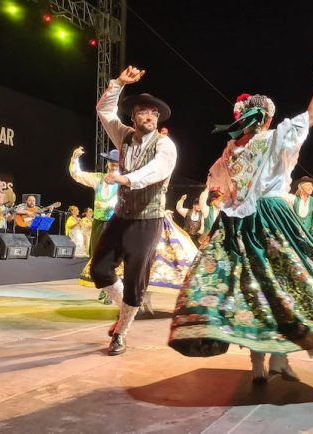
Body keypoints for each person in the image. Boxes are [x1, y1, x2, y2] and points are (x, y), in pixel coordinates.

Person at [168, 52, 313, 383]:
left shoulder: (249, 148)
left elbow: (217, 186)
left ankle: (268, 361)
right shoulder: (260, 143)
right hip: (265, 220)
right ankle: (270, 360)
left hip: (248, 221)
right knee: (277, 287)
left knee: (257, 288)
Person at [93, 65, 178, 356]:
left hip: (148, 219)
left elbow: (157, 171)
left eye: (154, 113)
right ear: (134, 116)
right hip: (121, 216)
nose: (150, 117)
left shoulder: (165, 145)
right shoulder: (125, 136)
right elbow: (104, 111)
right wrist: (118, 82)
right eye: (144, 112)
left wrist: (125, 178)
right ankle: (127, 312)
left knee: (134, 280)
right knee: (100, 270)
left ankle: (121, 333)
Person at [69, 146, 120, 286]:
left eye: (117, 163)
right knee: (97, 257)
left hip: (115, 223)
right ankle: (106, 286)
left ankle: (111, 288)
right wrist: (75, 158)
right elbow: (77, 175)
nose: (114, 165)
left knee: (113, 257)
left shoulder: (123, 181)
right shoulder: (98, 179)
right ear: (107, 164)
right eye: (112, 162)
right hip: (99, 224)